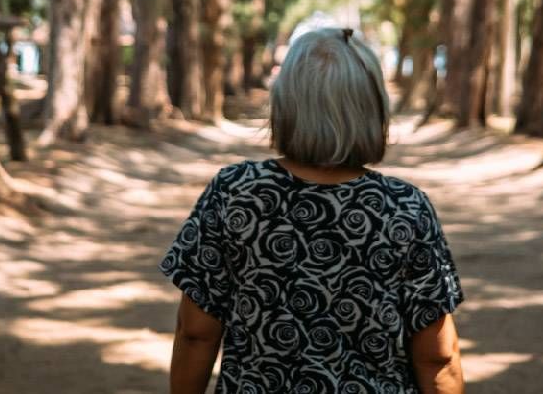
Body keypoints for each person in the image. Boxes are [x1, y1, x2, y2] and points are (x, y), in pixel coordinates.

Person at [162, 27, 465, 394]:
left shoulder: (234, 192)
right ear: (372, 108)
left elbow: (195, 333)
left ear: (286, 104)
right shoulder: (405, 207)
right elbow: (437, 356)